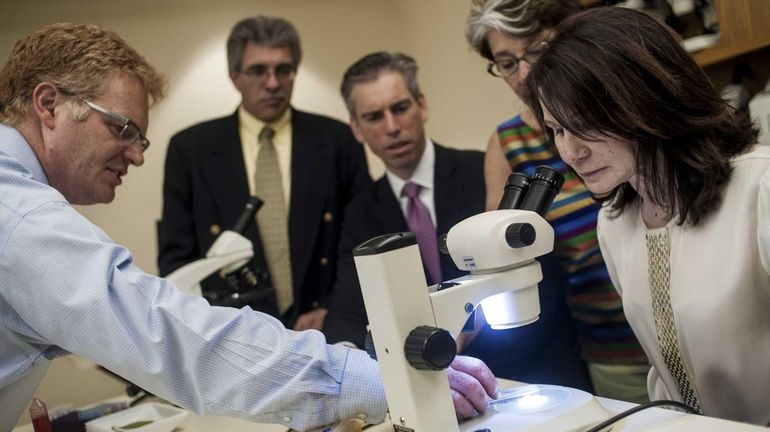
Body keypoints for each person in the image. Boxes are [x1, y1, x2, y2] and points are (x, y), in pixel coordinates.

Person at [0, 23, 499, 431]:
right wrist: (382, 380)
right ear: (48, 105)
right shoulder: (18, 213)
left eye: (141, 139)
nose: (134, 153)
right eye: (123, 129)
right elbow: (166, 333)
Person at [527, 6, 770, 425]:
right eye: (557, 130)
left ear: (647, 99)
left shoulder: (759, 187)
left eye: (584, 124)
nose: (570, 152)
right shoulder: (616, 222)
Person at [322, 51, 592, 391]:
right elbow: (348, 307)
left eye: (400, 108)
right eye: (374, 117)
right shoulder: (361, 211)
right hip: (438, 386)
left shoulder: (485, 172)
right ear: (357, 129)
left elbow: (542, 276)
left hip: (534, 369)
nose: (392, 127)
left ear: (422, 106)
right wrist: (345, 371)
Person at [466, 0, 649, 403]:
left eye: (536, 49)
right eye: (507, 63)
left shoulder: (625, 105)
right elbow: (498, 256)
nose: (525, 73)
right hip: (609, 347)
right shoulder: (507, 145)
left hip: (699, 318)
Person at [157, 16, 372, 330]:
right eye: (258, 70)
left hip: (327, 328)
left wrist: (336, 309)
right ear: (234, 76)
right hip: (233, 334)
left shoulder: (338, 140)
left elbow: (363, 240)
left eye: (283, 70)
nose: (273, 83)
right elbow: (177, 260)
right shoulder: (190, 150)